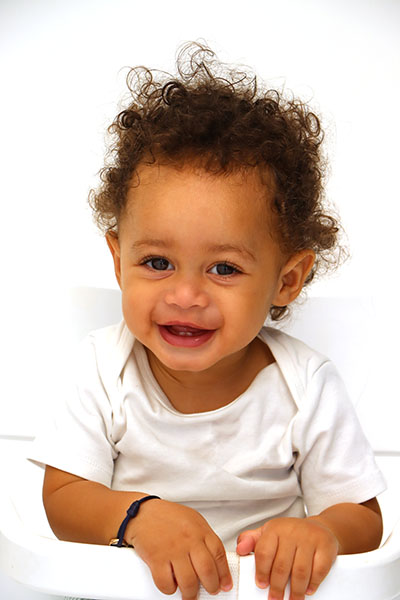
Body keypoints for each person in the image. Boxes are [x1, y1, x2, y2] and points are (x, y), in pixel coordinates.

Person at [30, 43, 386, 600]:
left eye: (224, 268)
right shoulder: (102, 368)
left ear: (287, 280)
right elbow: (62, 500)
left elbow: (363, 519)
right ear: (118, 261)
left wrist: (322, 533)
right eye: (157, 262)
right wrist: (136, 516)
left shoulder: (305, 387)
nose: (186, 296)